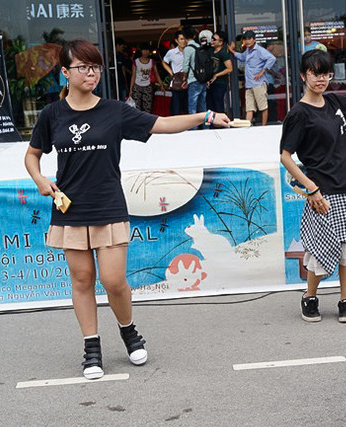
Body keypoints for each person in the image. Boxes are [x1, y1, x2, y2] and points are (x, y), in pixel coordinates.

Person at [24, 39, 231, 380]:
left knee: (113, 280)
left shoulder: (114, 111)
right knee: (81, 280)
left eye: (95, 67)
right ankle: (92, 348)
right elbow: (33, 155)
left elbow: (161, 124)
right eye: (83, 67)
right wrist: (40, 180)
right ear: (65, 73)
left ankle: (128, 330)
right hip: (70, 209)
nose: (91, 74)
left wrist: (205, 115)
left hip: (108, 205)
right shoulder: (52, 115)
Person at [281, 50, 346, 323]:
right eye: (315, 73)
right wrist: (311, 189)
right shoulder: (298, 114)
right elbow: (285, 157)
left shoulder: (334, 101)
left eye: (326, 73)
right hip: (323, 191)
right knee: (320, 250)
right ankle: (310, 297)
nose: (321, 79)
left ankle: (345, 300)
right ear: (304, 75)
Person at [234, 30, 276, 125]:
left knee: (263, 106)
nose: (247, 41)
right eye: (245, 39)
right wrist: (232, 51)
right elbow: (241, 57)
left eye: (249, 39)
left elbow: (272, 58)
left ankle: (263, 126)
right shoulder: (248, 51)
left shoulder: (260, 50)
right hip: (249, 84)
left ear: (254, 39)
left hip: (258, 83)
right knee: (249, 108)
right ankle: (247, 126)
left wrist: (262, 71)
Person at [181, 26, 208, 118]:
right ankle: (206, 127)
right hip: (202, 79)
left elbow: (185, 67)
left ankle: (193, 130)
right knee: (203, 107)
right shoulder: (200, 47)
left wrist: (184, 78)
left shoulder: (187, 49)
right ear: (194, 36)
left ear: (184, 37)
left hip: (193, 80)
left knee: (192, 107)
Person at [162, 30, 188, 116]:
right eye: (181, 39)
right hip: (177, 81)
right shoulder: (171, 52)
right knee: (176, 107)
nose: (183, 41)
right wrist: (171, 73)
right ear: (176, 40)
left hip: (189, 81)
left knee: (188, 107)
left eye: (185, 39)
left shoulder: (189, 51)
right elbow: (164, 62)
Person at [207, 31, 233, 114]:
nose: (212, 41)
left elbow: (229, 68)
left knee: (218, 105)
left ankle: (221, 125)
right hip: (210, 83)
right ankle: (211, 125)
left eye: (214, 39)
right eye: (212, 39)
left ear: (221, 42)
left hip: (220, 83)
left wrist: (216, 75)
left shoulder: (223, 53)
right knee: (210, 105)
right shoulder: (210, 51)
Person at [129, 44, 158, 113]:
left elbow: (157, 74)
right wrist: (131, 89)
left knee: (148, 107)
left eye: (147, 50)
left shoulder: (152, 62)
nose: (145, 52)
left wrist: (161, 86)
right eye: (144, 50)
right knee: (137, 107)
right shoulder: (136, 61)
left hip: (148, 86)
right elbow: (133, 75)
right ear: (141, 51)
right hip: (137, 85)